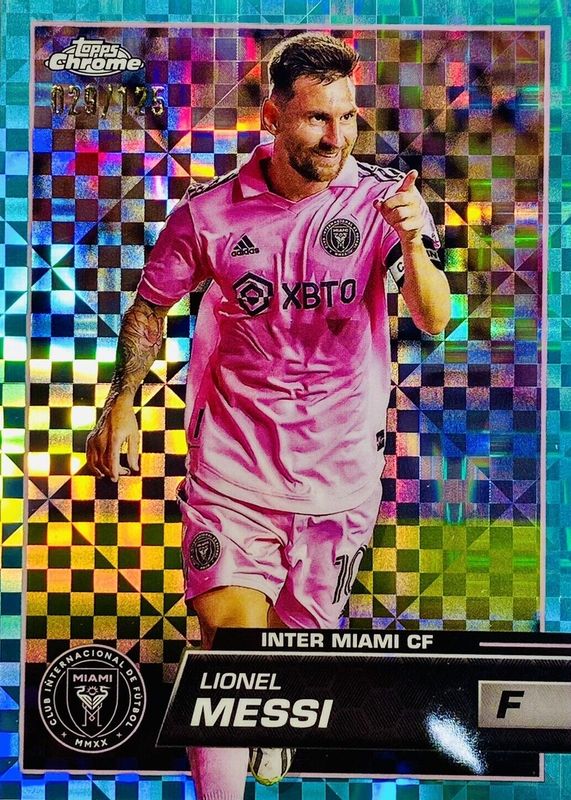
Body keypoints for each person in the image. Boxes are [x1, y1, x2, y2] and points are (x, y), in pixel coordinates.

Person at [86, 31, 450, 799]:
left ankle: (274, 720)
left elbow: (433, 317)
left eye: (346, 118)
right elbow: (150, 308)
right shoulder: (208, 216)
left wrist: (415, 244)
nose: (336, 137)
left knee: (289, 663)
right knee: (231, 662)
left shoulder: (384, 201)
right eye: (317, 118)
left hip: (339, 482)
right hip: (234, 472)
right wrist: (121, 404)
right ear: (272, 118)